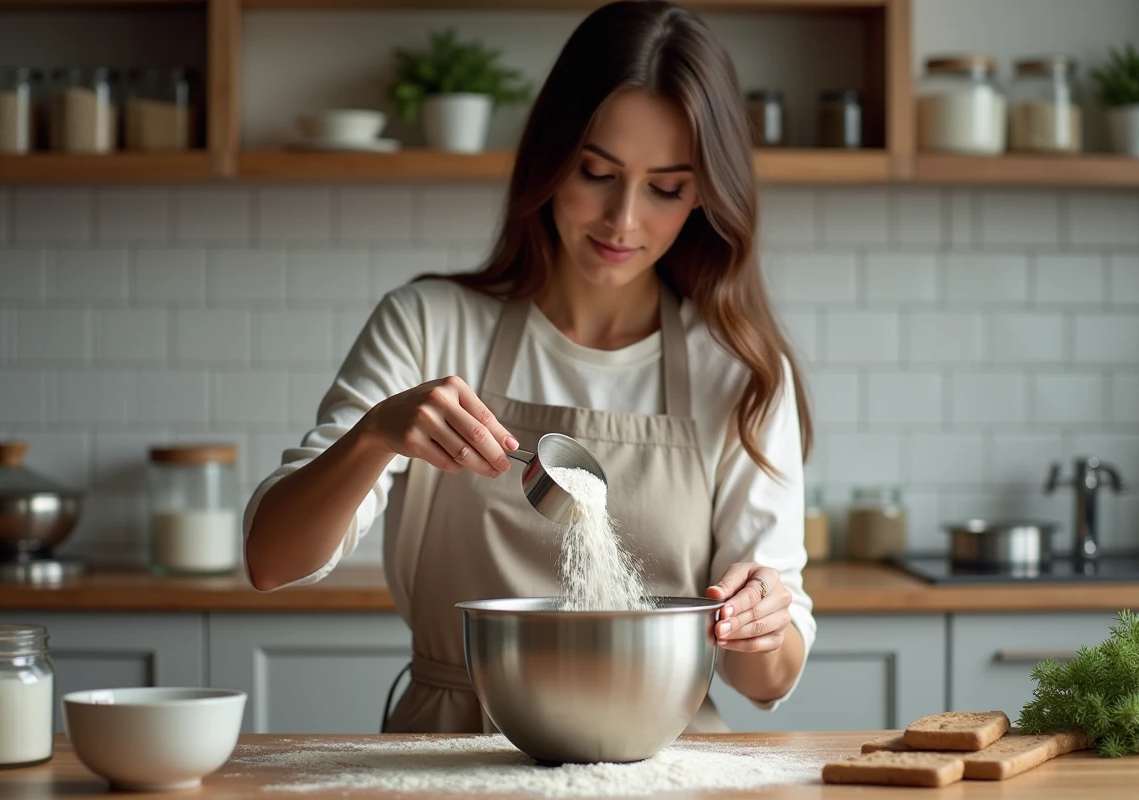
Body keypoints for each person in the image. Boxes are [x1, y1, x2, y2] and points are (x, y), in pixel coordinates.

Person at [243, 0, 816, 734]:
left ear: (704, 193)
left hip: (664, 762)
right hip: (449, 753)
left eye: (666, 188)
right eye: (596, 172)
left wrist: (761, 620)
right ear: (548, 158)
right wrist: (372, 438)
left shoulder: (737, 370)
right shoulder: (429, 323)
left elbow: (765, 683)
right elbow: (270, 560)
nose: (623, 220)